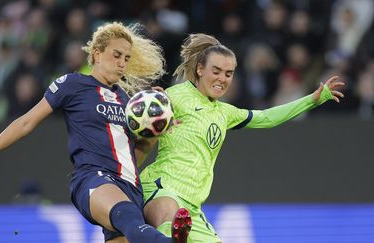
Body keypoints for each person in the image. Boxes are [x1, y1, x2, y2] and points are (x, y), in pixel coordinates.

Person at [0, 22, 191, 243]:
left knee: (130, 222)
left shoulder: (128, 102)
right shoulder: (72, 84)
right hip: (93, 179)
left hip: (129, 185)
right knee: (129, 216)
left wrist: (155, 128)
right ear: (97, 54)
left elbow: (132, 156)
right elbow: (25, 123)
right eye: (116, 55)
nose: (122, 63)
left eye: (127, 58)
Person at [140, 33, 345, 242]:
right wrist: (152, 103)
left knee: (179, 226)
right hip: (163, 187)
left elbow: (266, 118)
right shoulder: (175, 96)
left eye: (228, 74)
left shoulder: (225, 112)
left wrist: (312, 100)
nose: (222, 79)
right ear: (200, 69)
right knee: (167, 224)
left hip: (191, 207)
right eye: (216, 71)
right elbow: (140, 114)